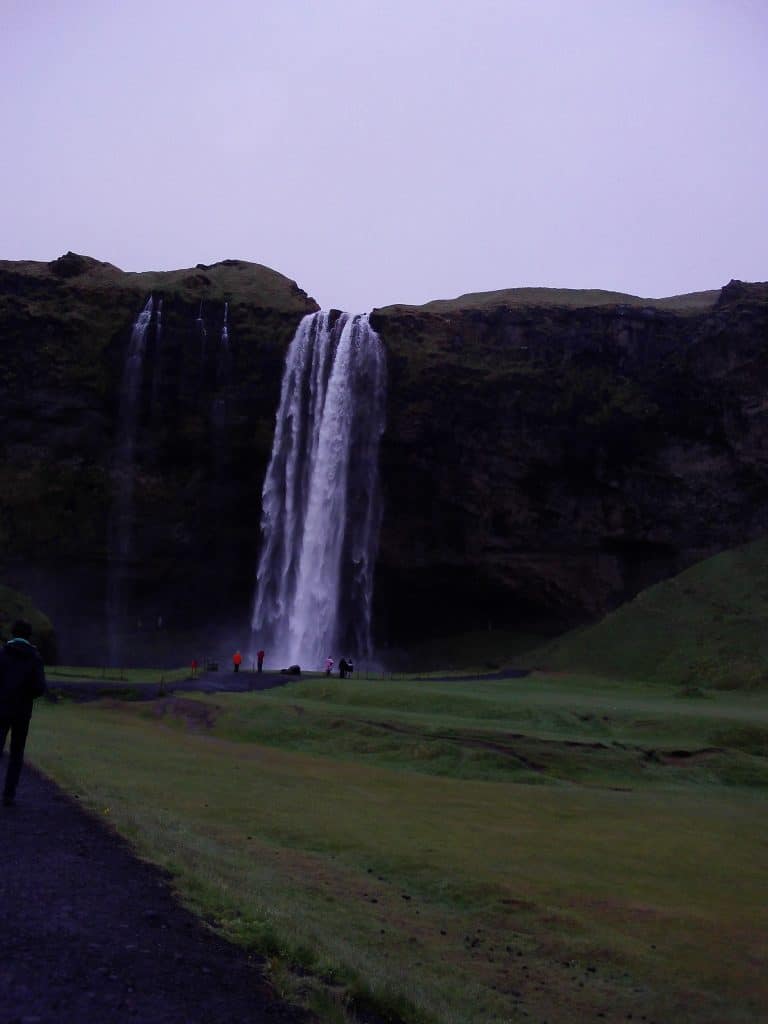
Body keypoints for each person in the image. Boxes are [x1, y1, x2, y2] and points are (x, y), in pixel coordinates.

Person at [0, 620, 47, 807]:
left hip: (1, 709)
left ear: (12, 634)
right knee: (16, 752)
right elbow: (39, 688)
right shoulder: (35, 658)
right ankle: (9, 794)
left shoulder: (2, 655)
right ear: (29, 636)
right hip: (22, 711)